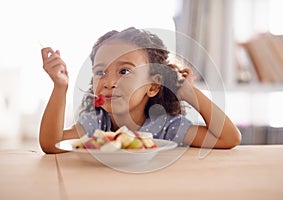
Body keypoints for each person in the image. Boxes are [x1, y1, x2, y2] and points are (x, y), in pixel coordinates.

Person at [39, 27, 241, 154]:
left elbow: (229, 138)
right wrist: (60, 86)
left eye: (124, 71)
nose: (109, 82)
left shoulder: (166, 127)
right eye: (101, 71)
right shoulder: (97, 124)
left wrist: (187, 92)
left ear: (152, 86)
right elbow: (52, 144)